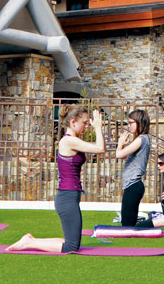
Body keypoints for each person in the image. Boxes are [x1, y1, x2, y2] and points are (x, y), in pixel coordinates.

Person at [7, 106, 106, 253]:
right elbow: (100, 148)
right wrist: (98, 127)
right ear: (73, 122)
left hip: (70, 196)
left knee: (71, 242)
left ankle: (30, 241)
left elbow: (97, 146)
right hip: (67, 197)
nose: (87, 126)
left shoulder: (73, 141)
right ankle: (29, 243)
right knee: (71, 247)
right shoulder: (68, 141)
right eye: (84, 122)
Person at [115, 109, 164, 229]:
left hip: (133, 185)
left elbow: (119, 155)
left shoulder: (141, 139)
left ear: (140, 123)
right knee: (128, 225)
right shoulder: (142, 140)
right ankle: (162, 221)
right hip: (131, 186)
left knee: (127, 227)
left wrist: (120, 143)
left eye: (131, 122)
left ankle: (163, 221)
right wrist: (125, 145)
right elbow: (127, 157)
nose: (129, 126)